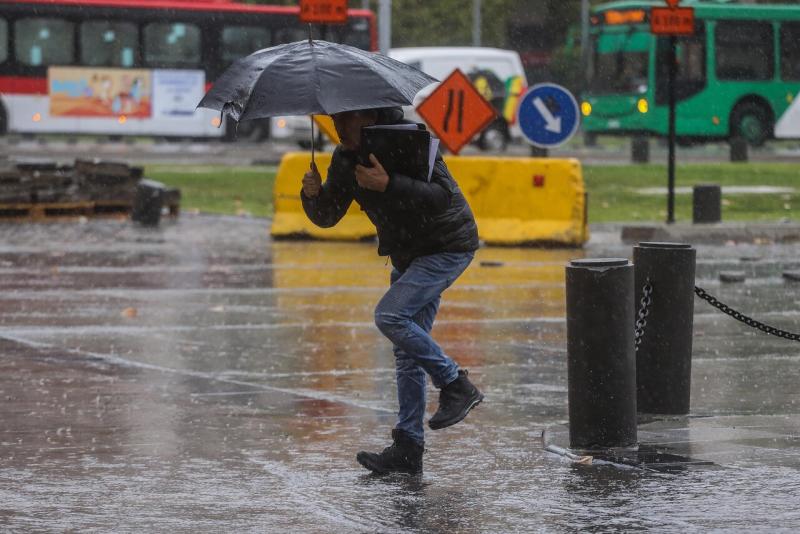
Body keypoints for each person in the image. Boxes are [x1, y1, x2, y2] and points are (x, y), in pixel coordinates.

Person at [301, 107, 483, 475]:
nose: (337, 127)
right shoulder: (344, 158)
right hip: (408, 253)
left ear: (368, 117)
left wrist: (389, 184)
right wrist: (312, 196)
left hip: (446, 246)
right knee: (405, 350)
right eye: (333, 121)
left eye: (345, 119)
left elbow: (442, 197)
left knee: (390, 316)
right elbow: (328, 216)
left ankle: (455, 384)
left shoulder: (407, 140)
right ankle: (408, 447)